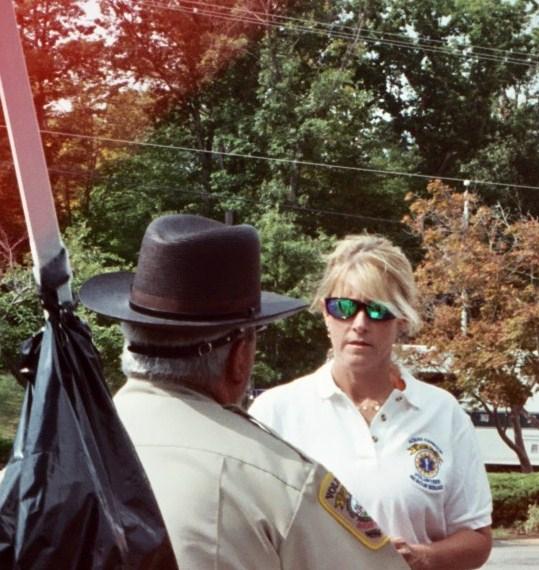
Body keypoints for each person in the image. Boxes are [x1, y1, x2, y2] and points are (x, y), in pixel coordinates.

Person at [79, 215, 408, 570]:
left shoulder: (55, 459)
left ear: (129, 343)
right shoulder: (282, 480)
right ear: (239, 356)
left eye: (378, 311)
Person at [249, 234, 493, 570]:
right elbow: (248, 535)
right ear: (325, 313)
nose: (360, 324)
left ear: (402, 320)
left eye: (378, 310)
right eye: (345, 308)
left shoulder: (443, 412)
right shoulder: (275, 413)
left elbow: (477, 538)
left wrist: (423, 557)